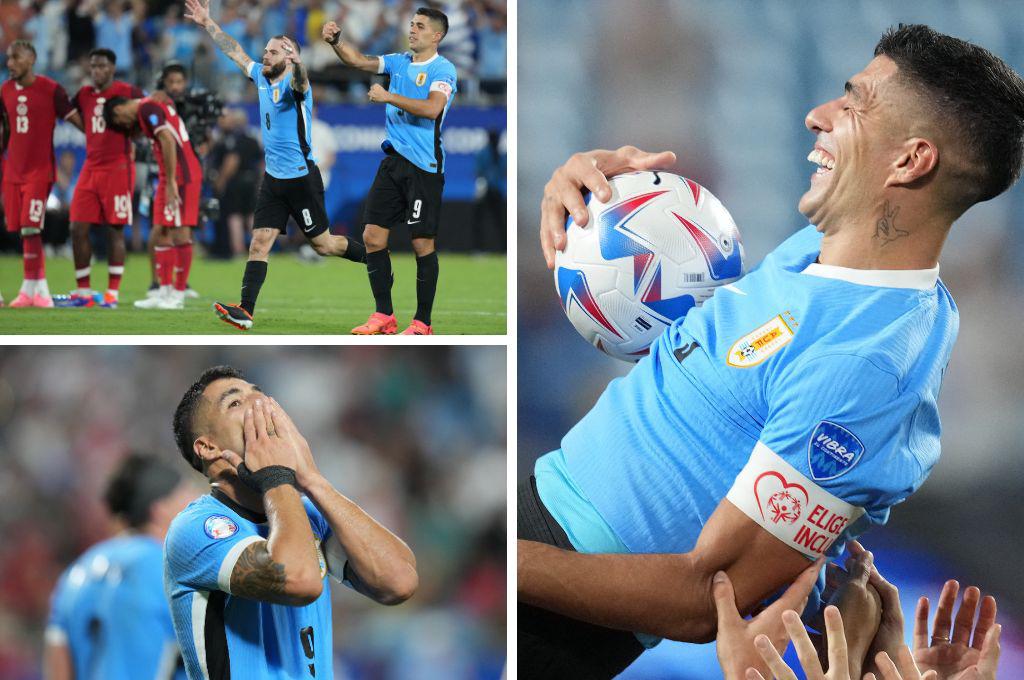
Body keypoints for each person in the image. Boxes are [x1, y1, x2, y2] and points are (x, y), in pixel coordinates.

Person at [518, 24, 1024, 678]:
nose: (818, 116)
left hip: (557, 611)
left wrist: (508, 560)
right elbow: (711, 384)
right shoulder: (817, 255)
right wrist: (594, 227)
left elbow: (708, 599)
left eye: (855, 104)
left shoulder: (866, 365)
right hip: (538, 527)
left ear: (909, 161)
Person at [166, 366, 417, 677]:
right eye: (235, 403)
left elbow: (399, 582)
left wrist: (313, 480)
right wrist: (276, 476)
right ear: (208, 447)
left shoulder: (305, 512)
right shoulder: (196, 528)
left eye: (258, 394)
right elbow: (300, 580)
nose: (258, 405)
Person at [183, 0, 367, 332]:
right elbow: (235, 51)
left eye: (273, 52)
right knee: (259, 242)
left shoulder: (298, 86)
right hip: (273, 180)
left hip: (301, 181)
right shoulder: (262, 78)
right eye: (266, 50)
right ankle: (245, 311)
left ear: (288, 58)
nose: (265, 55)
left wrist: (300, 66)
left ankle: (374, 259)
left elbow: (300, 83)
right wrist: (209, 23)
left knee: (324, 245)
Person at [323, 7, 458, 335]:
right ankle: (384, 314)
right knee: (371, 236)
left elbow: (431, 108)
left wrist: (387, 96)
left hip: (424, 166)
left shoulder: (443, 69)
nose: (412, 30)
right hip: (394, 161)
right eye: (411, 24)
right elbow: (357, 61)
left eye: (420, 26)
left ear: (436, 36)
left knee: (421, 244)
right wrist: (337, 42)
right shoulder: (399, 61)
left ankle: (423, 323)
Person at [44, 454, 196, 680]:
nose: (196, 503)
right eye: (186, 496)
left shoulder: (75, 573)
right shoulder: (174, 569)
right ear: (160, 509)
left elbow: (58, 667)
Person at [0, 40, 82, 308]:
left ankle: (38, 290)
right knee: (22, 231)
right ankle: (31, 290)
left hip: (40, 171)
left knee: (30, 226)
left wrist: (103, 137)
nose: (10, 63)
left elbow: (78, 121)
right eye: (8, 58)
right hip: (13, 172)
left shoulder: (51, 89)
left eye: (16, 58)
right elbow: (6, 130)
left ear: (32, 58)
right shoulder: (5, 90)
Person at [103, 93, 201, 310]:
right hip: (168, 175)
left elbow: (167, 138)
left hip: (180, 174)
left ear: (119, 111)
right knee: (162, 231)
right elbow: (168, 104)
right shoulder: (152, 106)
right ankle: (163, 292)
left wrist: (171, 182)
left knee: (180, 232)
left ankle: (177, 294)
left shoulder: (147, 109)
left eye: (120, 122)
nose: (126, 125)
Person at [66, 48, 144, 309]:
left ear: (112, 68)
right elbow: (67, 109)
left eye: (101, 66)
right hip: (90, 167)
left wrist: (133, 136)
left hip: (118, 168)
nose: (96, 71)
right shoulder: (84, 95)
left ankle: (112, 294)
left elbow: (147, 114)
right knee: (77, 228)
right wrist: (86, 129)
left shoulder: (127, 91)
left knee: (115, 229)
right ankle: (84, 291)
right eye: (93, 66)